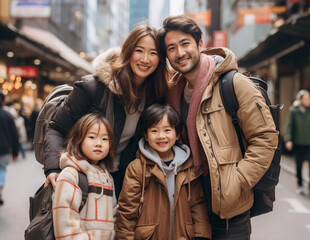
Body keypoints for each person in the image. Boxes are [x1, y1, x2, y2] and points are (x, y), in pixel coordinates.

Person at [157, 15, 279, 239]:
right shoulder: (171, 92)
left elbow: (265, 139)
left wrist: (237, 181)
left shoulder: (235, 84)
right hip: (190, 205)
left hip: (230, 211)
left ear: (200, 45)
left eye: (185, 44)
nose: (180, 53)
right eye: (171, 48)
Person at [43, 25, 168, 198]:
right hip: (82, 174)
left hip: (120, 177)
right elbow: (56, 127)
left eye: (153, 53)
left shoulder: (155, 95)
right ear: (128, 51)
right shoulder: (93, 87)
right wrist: (53, 168)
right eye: (139, 50)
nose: (145, 59)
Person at [116, 104, 211, 239]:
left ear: (177, 134)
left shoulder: (188, 166)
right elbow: (126, 212)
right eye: (154, 131)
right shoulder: (137, 168)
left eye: (167, 130)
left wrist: (202, 237)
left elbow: (198, 206)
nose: (161, 136)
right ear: (146, 135)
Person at [52, 113, 116, 239]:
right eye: (92, 137)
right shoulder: (70, 175)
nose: (99, 143)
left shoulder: (107, 177)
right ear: (78, 140)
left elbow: (114, 216)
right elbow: (65, 226)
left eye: (104, 139)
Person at [284, 89, 310, 195]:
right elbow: (289, 126)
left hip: (309, 143)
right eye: (306, 98)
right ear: (301, 100)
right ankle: (300, 184)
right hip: (298, 143)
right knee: (299, 165)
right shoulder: (293, 110)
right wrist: (288, 139)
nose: (308, 100)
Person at [0, 92, 19, 205]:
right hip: (4, 149)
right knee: (1, 169)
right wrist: (15, 152)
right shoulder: (8, 115)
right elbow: (14, 135)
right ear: (3, 101)